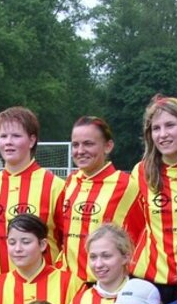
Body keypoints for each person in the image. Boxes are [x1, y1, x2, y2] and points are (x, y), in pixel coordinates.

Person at [0, 106, 64, 277]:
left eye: (16, 136)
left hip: (44, 292)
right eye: (3, 136)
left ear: (31, 140)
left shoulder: (55, 186)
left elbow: (66, 243)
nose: (8, 142)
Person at [131, 95, 177, 304]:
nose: (163, 134)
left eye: (170, 125)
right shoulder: (141, 172)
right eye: (156, 128)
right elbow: (135, 226)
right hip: (153, 281)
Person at [59, 116, 142, 283]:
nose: (80, 150)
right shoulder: (71, 182)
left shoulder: (127, 185)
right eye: (75, 145)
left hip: (104, 284)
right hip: (68, 284)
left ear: (108, 146)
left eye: (88, 144)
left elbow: (139, 236)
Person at [0, 214, 82, 304]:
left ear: (43, 245)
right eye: (12, 242)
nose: (17, 249)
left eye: (25, 242)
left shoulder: (69, 283)